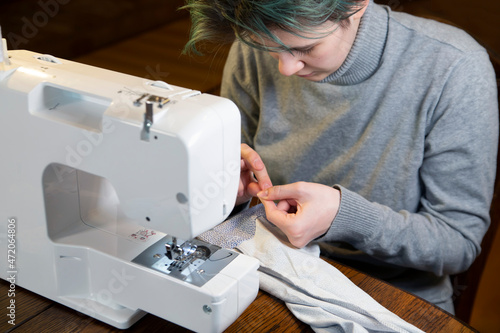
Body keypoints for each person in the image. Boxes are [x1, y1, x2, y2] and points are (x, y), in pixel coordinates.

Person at [182, 0, 499, 313]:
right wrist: (227, 191)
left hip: (392, 294)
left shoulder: (454, 67)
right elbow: (234, 179)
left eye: (306, 48)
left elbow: (457, 244)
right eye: (269, 50)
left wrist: (344, 218)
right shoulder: (256, 37)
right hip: (272, 270)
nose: (285, 68)